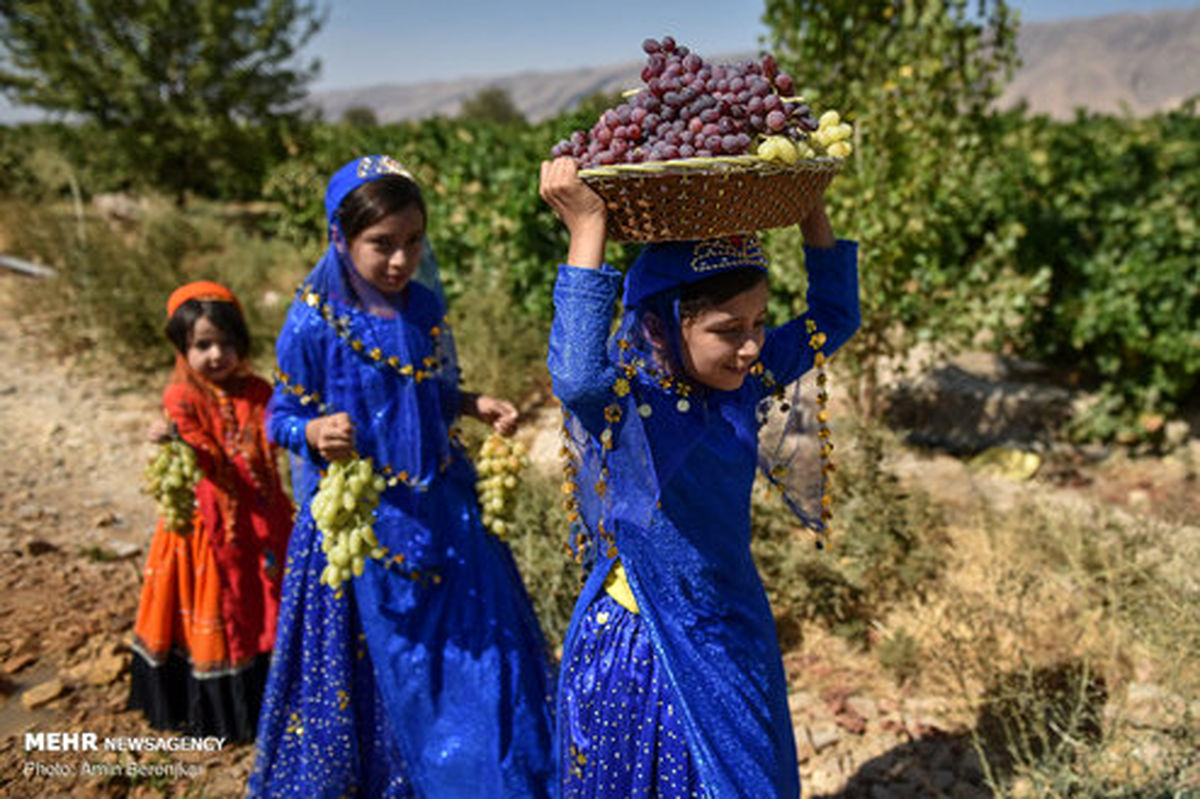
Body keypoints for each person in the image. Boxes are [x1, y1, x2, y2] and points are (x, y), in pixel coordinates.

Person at [539, 156, 861, 798]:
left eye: (759, 324)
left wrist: (810, 208)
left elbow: (836, 317)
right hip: (649, 639)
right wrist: (587, 226)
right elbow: (574, 375)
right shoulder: (635, 405)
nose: (750, 346)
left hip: (729, 614)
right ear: (663, 326)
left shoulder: (744, 379)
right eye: (727, 330)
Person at [250, 155, 554, 798]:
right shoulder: (313, 322)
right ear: (340, 238)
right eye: (381, 245)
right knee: (389, 671)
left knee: (481, 662)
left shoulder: (422, 310)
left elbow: (431, 395)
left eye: (413, 243)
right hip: (364, 534)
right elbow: (278, 415)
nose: (400, 260)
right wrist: (309, 432)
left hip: (445, 513)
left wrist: (472, 405)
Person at [129, 281, 294, 741]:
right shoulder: (181, 398)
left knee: (266, 601)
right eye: (203, 345)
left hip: (263, 520)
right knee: (221, 603)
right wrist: (171, 438)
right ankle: (223, 715)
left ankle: (271, 699)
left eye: (226, 343)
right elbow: (200, 450)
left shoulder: (260, 391)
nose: (217, 354)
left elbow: (279, 429)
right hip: (210, 528)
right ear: (183, 348)